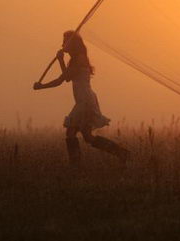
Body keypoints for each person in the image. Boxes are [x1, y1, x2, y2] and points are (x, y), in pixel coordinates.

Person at [34, 30, 129, 166]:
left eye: (65, 41)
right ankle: (121, 153)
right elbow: (64, 79)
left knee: (70, 132)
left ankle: (75, 165)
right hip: (84, 99)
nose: (62, 44)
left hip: (85, 100)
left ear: (72, 43)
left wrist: (59, 61)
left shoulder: (80, 58)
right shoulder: (74, 60)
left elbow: (65, 78)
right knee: (88, 136)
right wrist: (42, 85)